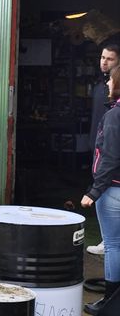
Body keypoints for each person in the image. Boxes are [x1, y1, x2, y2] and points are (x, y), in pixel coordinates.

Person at [81, 65, 120, 315]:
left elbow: (111, 157)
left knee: (114, 245)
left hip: (114, 190)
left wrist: (94, 191)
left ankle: (110, 303)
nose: (106, 84)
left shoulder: (115, 115)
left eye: (111, 80)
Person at [87, 44, 120, 256]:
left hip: (111, 150)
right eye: (102, 57)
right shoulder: (102, 86)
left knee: (105, 192)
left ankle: (108, 239)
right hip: (100, 146)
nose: (104, 62)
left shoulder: (115, 93)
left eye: (109, 59)